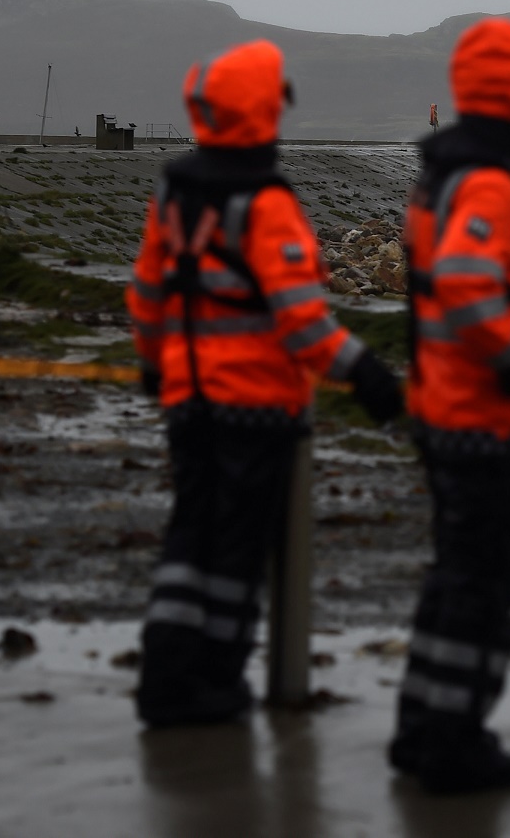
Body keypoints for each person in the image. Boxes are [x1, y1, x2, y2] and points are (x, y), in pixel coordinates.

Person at [126, 39, 404, 728]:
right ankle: (215, 684)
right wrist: (368, 374)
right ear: (266, 110)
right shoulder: (267, 202)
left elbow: (148, 289)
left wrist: (155, 360)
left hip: (188, 399)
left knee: (189, 538)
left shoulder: (176, 186)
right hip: (253, 408)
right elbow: (302, 326)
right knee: (235, 552)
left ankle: (165, 675)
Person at [389, 18, 510, 793]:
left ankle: (426, 728)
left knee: (458, 581)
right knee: (481, 590)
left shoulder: (460, 173)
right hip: (486, 422)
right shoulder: (489, 183)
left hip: (457, 414)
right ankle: (453, 746)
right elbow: (468, 284)